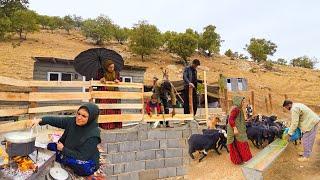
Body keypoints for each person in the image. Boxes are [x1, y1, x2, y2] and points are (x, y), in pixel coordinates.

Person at [31, 103, 101, 176]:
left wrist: (63, 149)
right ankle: (63, 158)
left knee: (81, 166)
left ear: (91, 118)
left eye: (84, 116)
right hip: (69, 149)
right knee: (50, 146)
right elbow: (58, 121)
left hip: (85, 159)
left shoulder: (94, 135)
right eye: (78, 113)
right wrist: (40, 120)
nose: (79, 117)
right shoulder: (73, 121)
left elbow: (82, 156)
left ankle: (66, 162)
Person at [96, 60, 122, 129]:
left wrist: (117, 81)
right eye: (110, 67)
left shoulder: (116, 73)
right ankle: (105, 125)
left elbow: (119, 80)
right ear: (106, 67)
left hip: (114, 94)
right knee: (105, 109)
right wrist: (101, 80)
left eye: (113, 67)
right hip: (104, 93)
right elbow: (97, 81)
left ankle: (114, 125)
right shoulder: (101, 73)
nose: (112, 69)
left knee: (113, 109)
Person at [227, 96, 252, 165]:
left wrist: (245, 120)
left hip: (238, 129)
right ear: (238, 101)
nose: (243, 103)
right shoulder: (236, 109)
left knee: (239, 144)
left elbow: (237, 119)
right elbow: (230, 119)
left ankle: (240, 159)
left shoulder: (238, 109)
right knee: (242, 143)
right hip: (237, 130)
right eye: (242, 102)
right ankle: (246, 159)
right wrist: (235, 128)